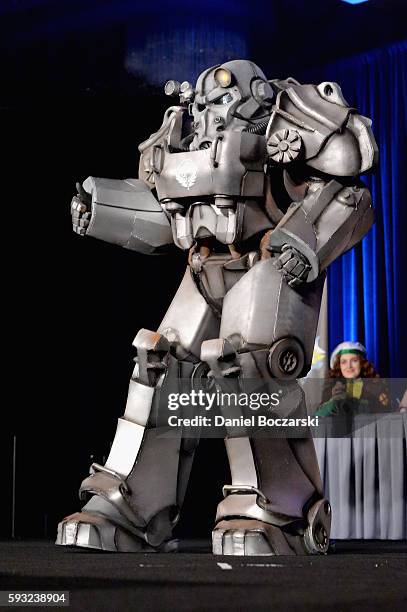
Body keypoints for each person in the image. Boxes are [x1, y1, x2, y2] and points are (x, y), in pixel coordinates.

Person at [317, 341, 390, 417]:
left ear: (362, 363)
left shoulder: (376, 386)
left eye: (354, 360)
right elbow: (318, 416)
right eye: (344, 362)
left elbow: (385, 413)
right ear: (339, 365)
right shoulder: (331, 387)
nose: (349, 366)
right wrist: (333, 401)